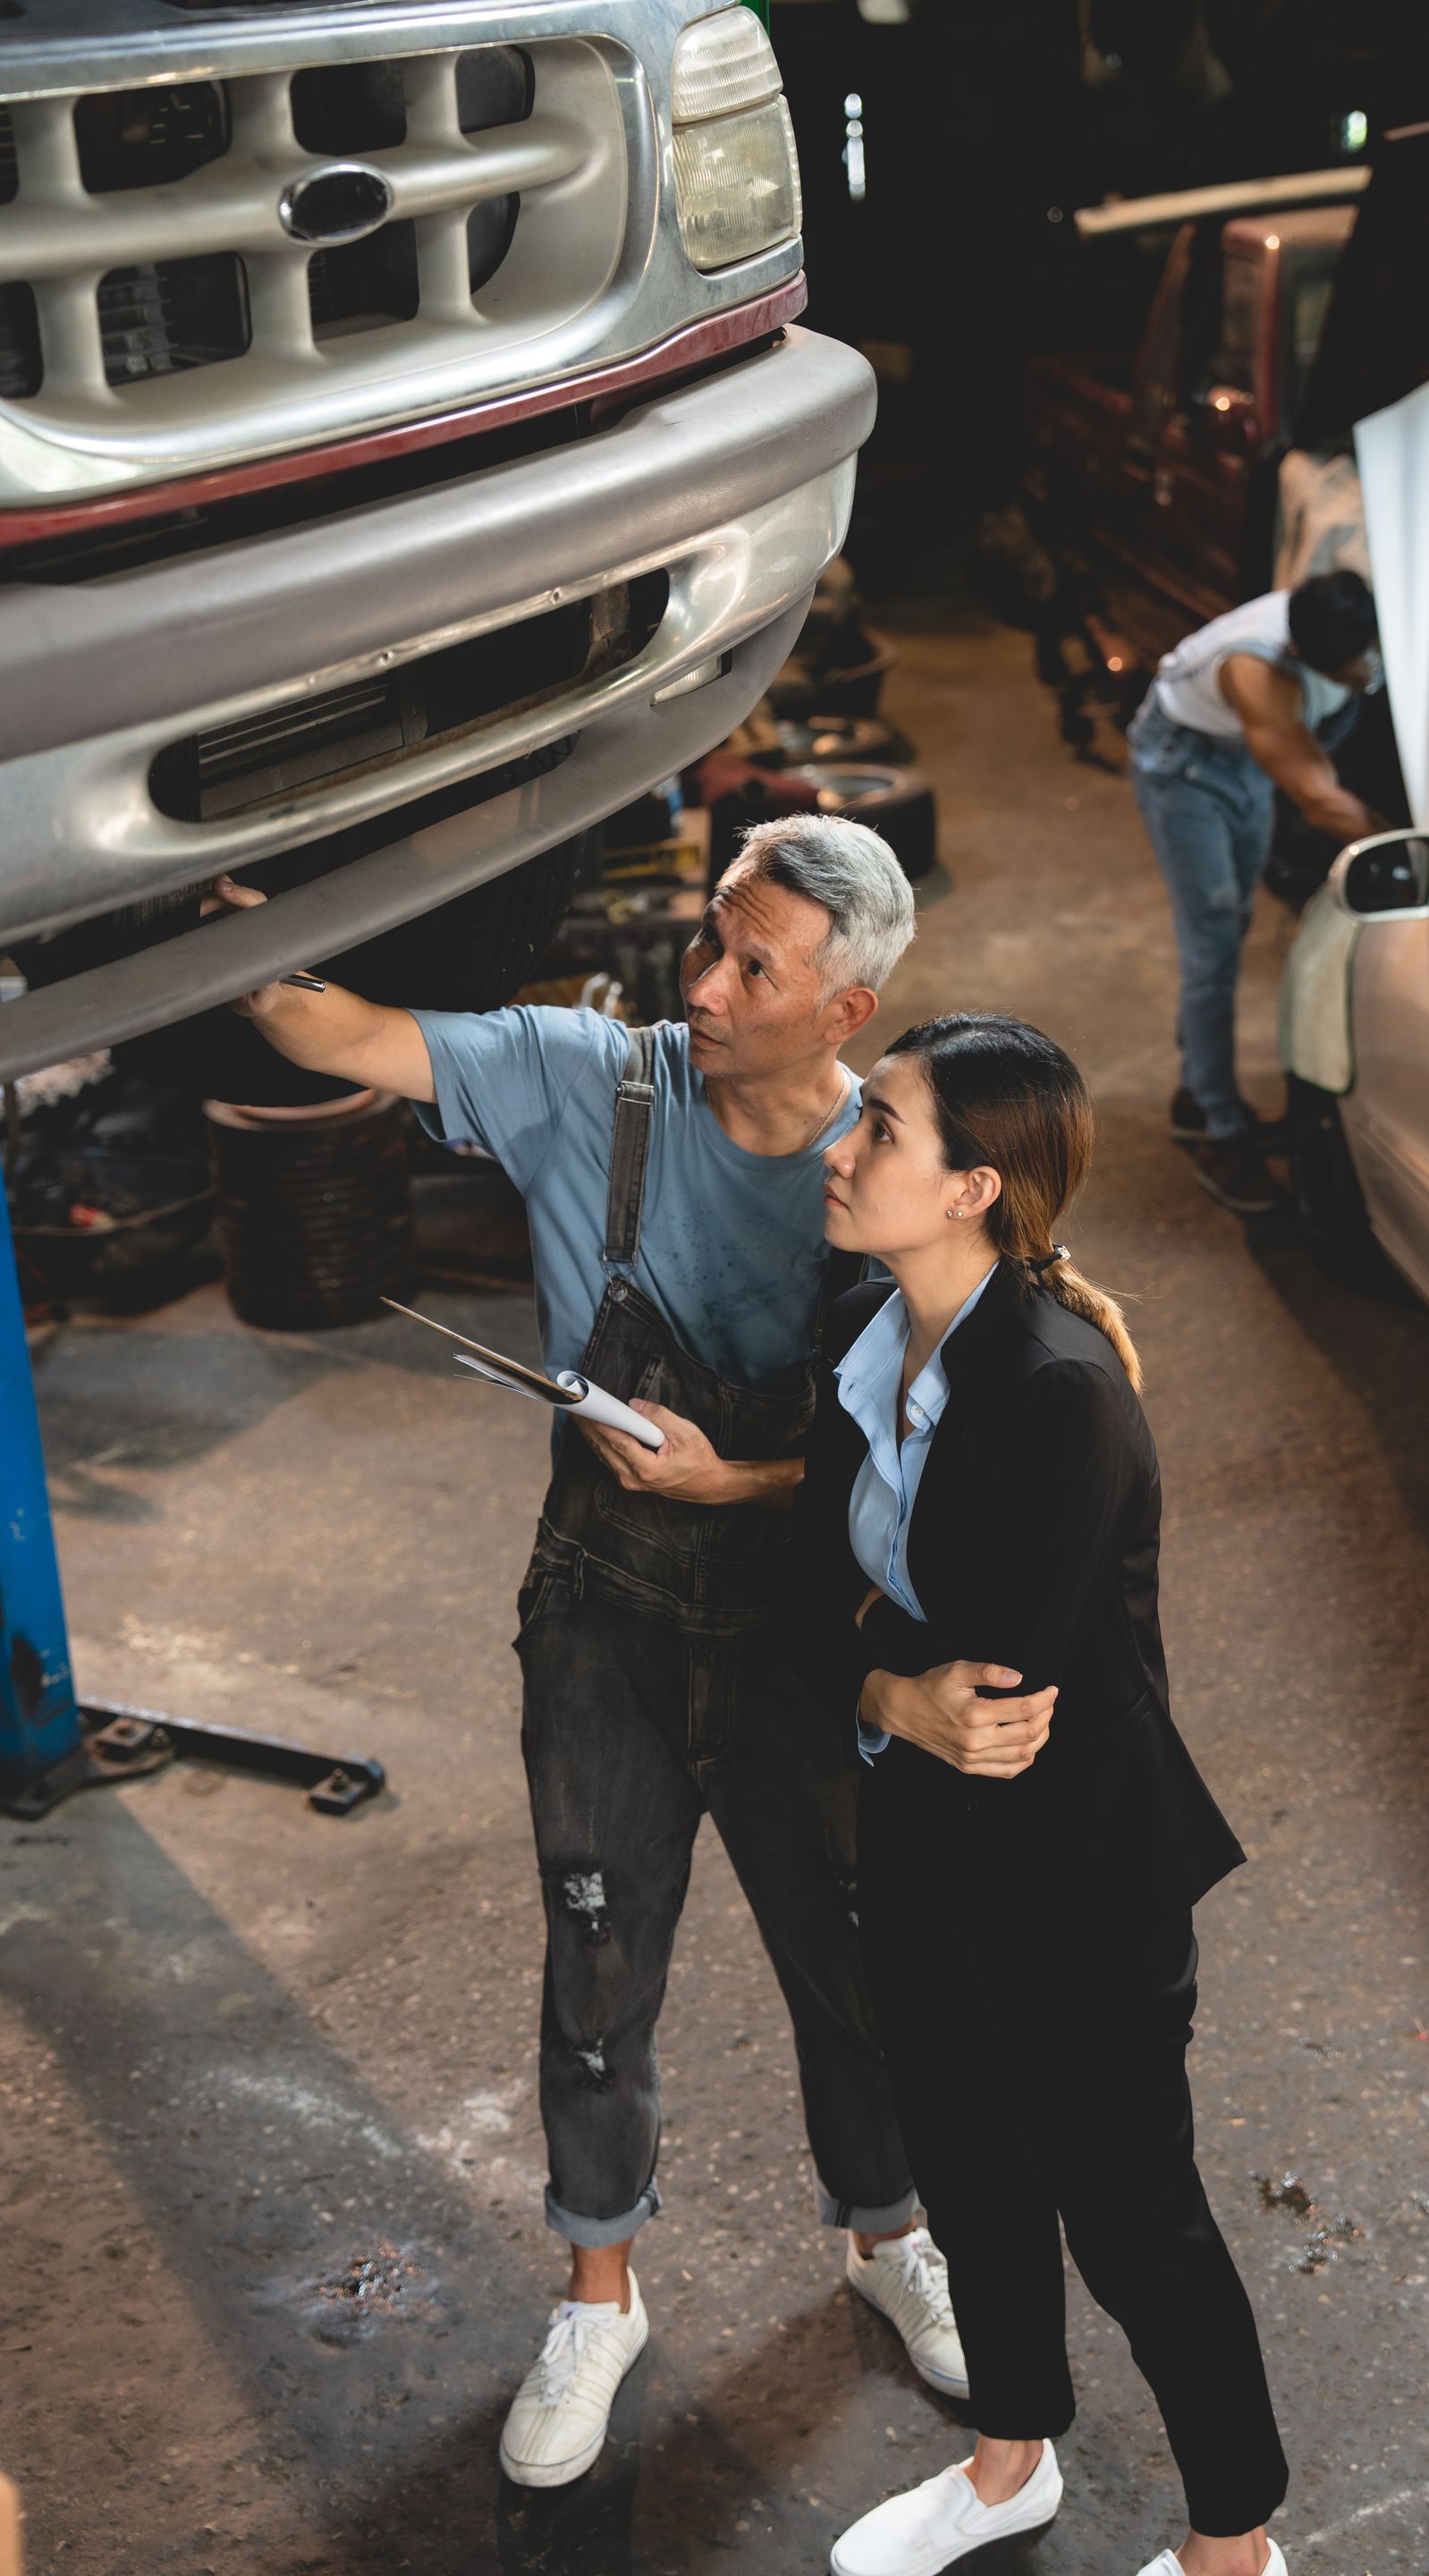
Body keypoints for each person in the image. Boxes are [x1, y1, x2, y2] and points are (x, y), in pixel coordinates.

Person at [211, 820, 969, 2491]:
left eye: (751, 967)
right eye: (710, 937)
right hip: (604, 1613)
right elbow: (329, 1031)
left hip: (803, 1628)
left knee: (855, 1960)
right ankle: (599, 2295)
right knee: (598, 1955)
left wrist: (744, 1477)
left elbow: (924, 1451)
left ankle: (887, 2237)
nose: (700, 983)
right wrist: (216, 906)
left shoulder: (895, 1169)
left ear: (845, 1009)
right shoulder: (590, 1081)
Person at [792, 1013, 1290, 2576]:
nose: (839, 1148)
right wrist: (881, 1685)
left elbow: (991, 1687)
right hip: (923, 1850)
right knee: (976, 2177)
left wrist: (870, 1664)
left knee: (1134, 2222)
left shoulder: (1057, 1391)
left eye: (877, 1129)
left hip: (1079, 1883)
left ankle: (1237, 2547)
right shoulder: (859, 1332)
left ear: (972, 1190)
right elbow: (818, 1596)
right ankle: (1011, 2464)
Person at [1129, 569, 1388, 1215]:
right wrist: (1409, 846)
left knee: (1235, 924)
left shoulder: (1351, 617)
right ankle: (1221, 1133)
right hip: (1186, 767)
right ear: (1302, 655)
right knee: (1212, 946)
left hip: (1244, 757)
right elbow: (1316, 797)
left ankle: (1196, 1096)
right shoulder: (1255, 670)